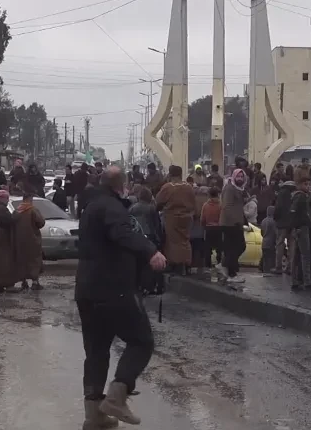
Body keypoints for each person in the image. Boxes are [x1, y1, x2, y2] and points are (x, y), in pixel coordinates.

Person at [75, 167, 167, 427]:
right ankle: (117, 395)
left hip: (87, 290)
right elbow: (124, 233)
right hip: (113, 288)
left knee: (96, 351)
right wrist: (152, 252)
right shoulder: (112, 208)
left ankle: (94, 414)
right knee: (142, 341)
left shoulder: (90, 207)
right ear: (121, 186)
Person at [154, 166, 195, 273]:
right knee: (185, 240)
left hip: (172, 218)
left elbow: (158, 202)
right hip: (187, 218)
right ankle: (186, 263)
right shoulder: (188, 187)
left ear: (170, 175)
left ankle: (175, 264)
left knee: (172, 242)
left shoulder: (168, 187)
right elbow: (193, 203)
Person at [13, 186, 46, 291]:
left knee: (23, 260)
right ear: (29, 199)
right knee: (34, 260)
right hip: (33, 240)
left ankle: (23, 282)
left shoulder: (17, 211)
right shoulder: (32, 210)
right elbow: (41, 222)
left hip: (20, 241)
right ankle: (35, 282)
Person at [219, 169, 249, 283]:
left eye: (242, 176)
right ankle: (230, 271)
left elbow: (238, 207)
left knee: (234, 248)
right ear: (234, 177)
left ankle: (227, 267)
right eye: (238, 176)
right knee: (237, 247)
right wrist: (236, 220)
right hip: (230, 224)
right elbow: (227, 206)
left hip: (236, 223)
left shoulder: (239, 189)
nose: (240, 179)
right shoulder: (229, 189)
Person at [288, 170, 311, 291]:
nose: (307, 186)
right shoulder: (301, 197)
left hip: (297, 228)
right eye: (305, 184)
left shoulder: (295, 196)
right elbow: (296, 213)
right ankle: (307, 280)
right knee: (305, 255)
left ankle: (295, 280)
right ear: (298, 184)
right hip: (301, 228)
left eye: (308, 184)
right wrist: (299, 225)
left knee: (296, 256)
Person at [201, 186, 224, 272]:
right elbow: (223, 217)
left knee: (208, 249)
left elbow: (202, 219)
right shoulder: (221, 205)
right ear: (218, 194)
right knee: (219, 248)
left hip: (208, 229)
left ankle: (207, 266)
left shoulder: (206, 205)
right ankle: (219, 264)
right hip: (219, 229)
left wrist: (204, 226)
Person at [260, 205, 278, 274]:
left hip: (264, 242)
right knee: (271, 259)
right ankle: (269, 272)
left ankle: (265, 271)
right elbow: (275, 232)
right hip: (271, 243)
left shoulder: (263, 220)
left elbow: (262, 232)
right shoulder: (273, 221)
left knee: (265, 259)